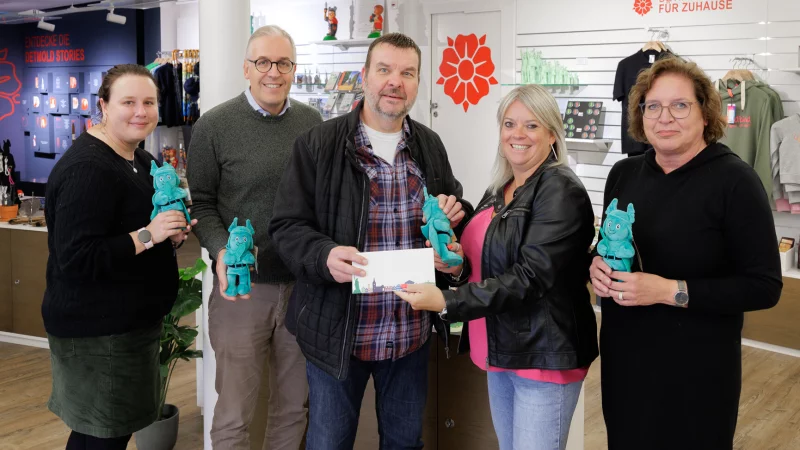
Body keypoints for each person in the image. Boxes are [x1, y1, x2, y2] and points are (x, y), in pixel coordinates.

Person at [269, 32, 471, 449]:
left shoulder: (429, 145)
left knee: (405, 442)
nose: (395, 81)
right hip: (338, 333)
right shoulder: (318, 145)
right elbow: (286, 226)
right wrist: (324, 256)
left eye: (407, 73)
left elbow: (452, 207)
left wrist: (455, 216)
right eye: (384, 70)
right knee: (329, 442)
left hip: (410, 333)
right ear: (364, 77)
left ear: (418, 83)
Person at [589, 56, 782, 450]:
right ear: (640, 114)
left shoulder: (736, 181)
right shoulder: (623, 174)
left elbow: (764, 286)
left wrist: (668, 291)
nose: (665, 117)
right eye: (653, 106)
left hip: (697, 372)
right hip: (625, 362)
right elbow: (607, 244)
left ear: (705, 114)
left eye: (680, 105)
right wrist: (595, 264)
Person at [396, 85, 599, 450]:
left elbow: (530, 277)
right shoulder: (502, 187)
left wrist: (447, 300)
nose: (517, 134)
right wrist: (456, 267)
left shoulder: (559, 190)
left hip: (542, 357)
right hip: (501, 349)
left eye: (531, 125)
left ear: (552, 134)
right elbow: (487, 261)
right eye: (509, 123)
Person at [42, 64, 194, 450]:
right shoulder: (88, 169)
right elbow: (77, 258)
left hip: (127, 329)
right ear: (104, 106)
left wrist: (170, 235)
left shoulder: (139, 160)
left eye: (149, 102)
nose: (140, 112)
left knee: (105, 434)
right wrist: (149, 234)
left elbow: (138, 233)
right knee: (101, 437)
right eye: (128, 102)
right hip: (98, 334)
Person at [186, 25, 322, 450]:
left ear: (294, 70)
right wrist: (221, 250)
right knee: (233, 413)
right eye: (263, 62)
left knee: (294, 408)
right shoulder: (214, 126)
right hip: (242, 292)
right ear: (246, 68)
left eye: (283, 63)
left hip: (302, 288)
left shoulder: (312, 123)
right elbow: (201, 204)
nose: (273, 72)